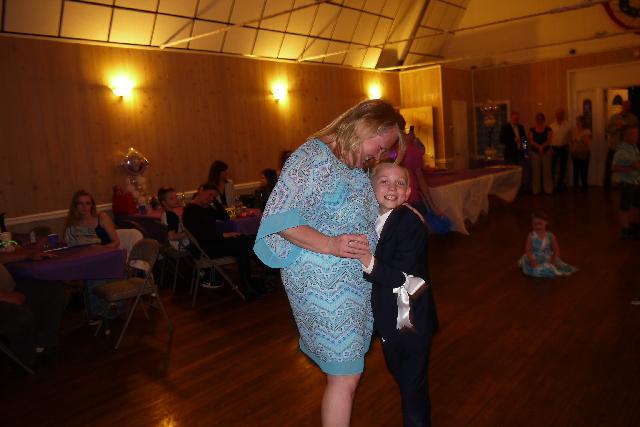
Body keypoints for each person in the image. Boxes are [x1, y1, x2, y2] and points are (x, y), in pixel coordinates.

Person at [253, 99, 405, 427]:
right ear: (367, 127)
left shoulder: (351, 163)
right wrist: (331, 244)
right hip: (323, 281)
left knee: (348, 373)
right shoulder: (313, 157)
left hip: (354, 279)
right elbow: (280, 219)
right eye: (381, 146)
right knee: (345, 374)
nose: (379, 155)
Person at [357, 163, 438, 427]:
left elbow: (404, 277)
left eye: (399, 183)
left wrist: (367, 261)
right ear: (371, 188)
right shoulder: (372, 219)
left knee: (412, 388)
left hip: (411, 321)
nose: (392, 187)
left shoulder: (410, 223)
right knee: (404, 378)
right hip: (389, 321)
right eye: (384, 181)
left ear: (408, 192)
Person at [183, 182, 259, 292]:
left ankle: (250, 281)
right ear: (201, 190)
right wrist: (225, 235)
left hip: (215, 241)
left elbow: (225, 217)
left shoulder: (207, 207)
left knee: (248, 240)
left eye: (214, 197)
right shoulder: (191, 211)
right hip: (205, 247)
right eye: (210, 194)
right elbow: (202, 234)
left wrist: (216, 202)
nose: (211, 198)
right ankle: (250, 282)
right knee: (244, 244)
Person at [0, 248, 65, 369]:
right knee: (20, 316)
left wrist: (29, 254)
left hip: (8, 288)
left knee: (52, 289)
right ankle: (25, 359)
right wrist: (4, 296)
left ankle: (43, 344)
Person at [64, 190, 121, 320]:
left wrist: (100, 248)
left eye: (88, 203)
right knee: (89, 272)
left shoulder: (102, 217)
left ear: (92, 205)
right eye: (80, 203)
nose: (84, 207)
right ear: (75, 206)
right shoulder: (73, 223)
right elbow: (69, 245)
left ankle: (100, 312)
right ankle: (99, 310)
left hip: (107, 257)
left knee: (94, 275)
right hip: (87, 261)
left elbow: (116, 242)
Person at [518, 211, 577, 277]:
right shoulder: (531, 236)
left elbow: (556, 249)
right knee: (536, 269)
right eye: (535, 224)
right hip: (534, 257)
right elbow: (528, 250)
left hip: (547, 256)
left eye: (540, 224)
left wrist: (554, 258)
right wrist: (532, 260)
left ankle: (550, 269)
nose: (537, 227)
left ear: (546, 223)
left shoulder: (550, 236)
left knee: (556, 266)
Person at [612, 126, 640, 240]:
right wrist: (632, 167)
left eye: (636, 134)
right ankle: (625, 230)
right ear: (626, 136)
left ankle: (634, 225)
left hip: (635, 181)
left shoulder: (634, 147)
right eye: (633, 134)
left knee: (635, 204)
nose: (636, 137)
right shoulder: (621, 150)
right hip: (627, 182)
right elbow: (614, 168)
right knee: (625, 206)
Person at [605, 100, 639, 189]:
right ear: (622, 106)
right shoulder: (614, 117)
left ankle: (626, 185)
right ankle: (607, 188)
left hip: (627, 148)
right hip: (614, 146)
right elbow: (608, 130)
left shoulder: (633, 118)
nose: (626, 107)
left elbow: (636, 132)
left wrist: (627, 127)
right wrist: (617, 127)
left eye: (628, 105)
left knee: (627, 167)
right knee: (610, 167)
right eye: (625, 105)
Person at [528, 113, 554, 195]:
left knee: (547, 171)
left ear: (544, 120)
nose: (540, 120)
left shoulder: (548, 128)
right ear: (536, 120)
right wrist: (539, 147)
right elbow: (531, 140)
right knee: (536, 172)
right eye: (538, 119)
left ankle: (548, 189)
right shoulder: (532, 129)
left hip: (546, 151)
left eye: (541, 119)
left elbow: (549, 140)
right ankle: (536, 190)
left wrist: (542, 147)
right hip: (535, 152)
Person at [550, 108, 572, 191]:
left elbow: (570, 138)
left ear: (563, 115)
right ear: (556, 115)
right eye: (558, 113)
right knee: (553, 167)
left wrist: (569, 147)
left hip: (564, 148)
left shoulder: (568, 125)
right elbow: (549, 138)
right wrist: (551, 148)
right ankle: (552, 184)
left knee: (563, 167)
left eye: (561, 113)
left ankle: (560, 185)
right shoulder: (551, 126)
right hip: (554, 148)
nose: (559, 115)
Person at [570, 115, 591, 191]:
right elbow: (572, 141)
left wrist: (581, 137)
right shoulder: (574, 130)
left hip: (584, 154)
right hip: (575, 154)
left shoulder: (587, 131)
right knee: (575, 172)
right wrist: (572, 150)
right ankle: (575, 188)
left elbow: (587, 143)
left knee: (583, 172)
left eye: (578, 121)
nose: (577, 123)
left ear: (582, 122)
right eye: (576, 121)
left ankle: (584, 188)